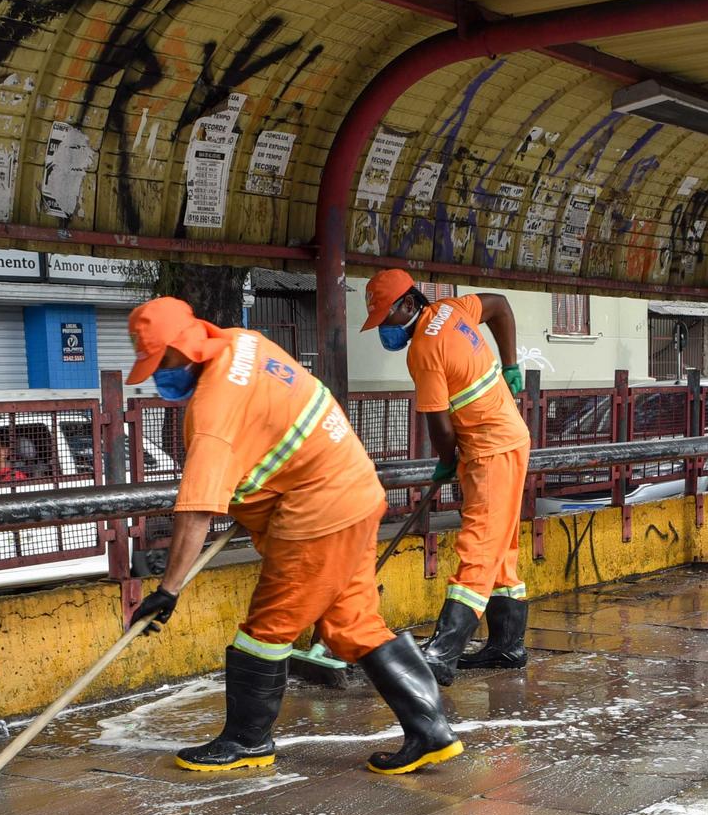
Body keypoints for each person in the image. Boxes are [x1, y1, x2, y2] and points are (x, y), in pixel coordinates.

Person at [122, 297, 460, 777]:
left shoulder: (214, 410)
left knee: (267, 628)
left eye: (162, 363)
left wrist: (167, 591)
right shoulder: (245, 343)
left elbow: (197, 511)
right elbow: (273, 427)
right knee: (353, 623)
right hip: (355, 491)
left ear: (185, 348)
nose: (160, 375)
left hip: (319, 513)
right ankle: (431, 732)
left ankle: (247, 740)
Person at [362, 268, 530, 681]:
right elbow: (501, 307)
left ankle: (440, 653)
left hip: (489, 449)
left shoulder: (421, 350)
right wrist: (510, 364)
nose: (386, 327)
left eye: (387, 317)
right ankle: (508, 646)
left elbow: (438, 425)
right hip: (509, 439)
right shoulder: (453, 310)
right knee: (500, 548)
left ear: (408, 303)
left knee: (478, 546)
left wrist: (445, 457)